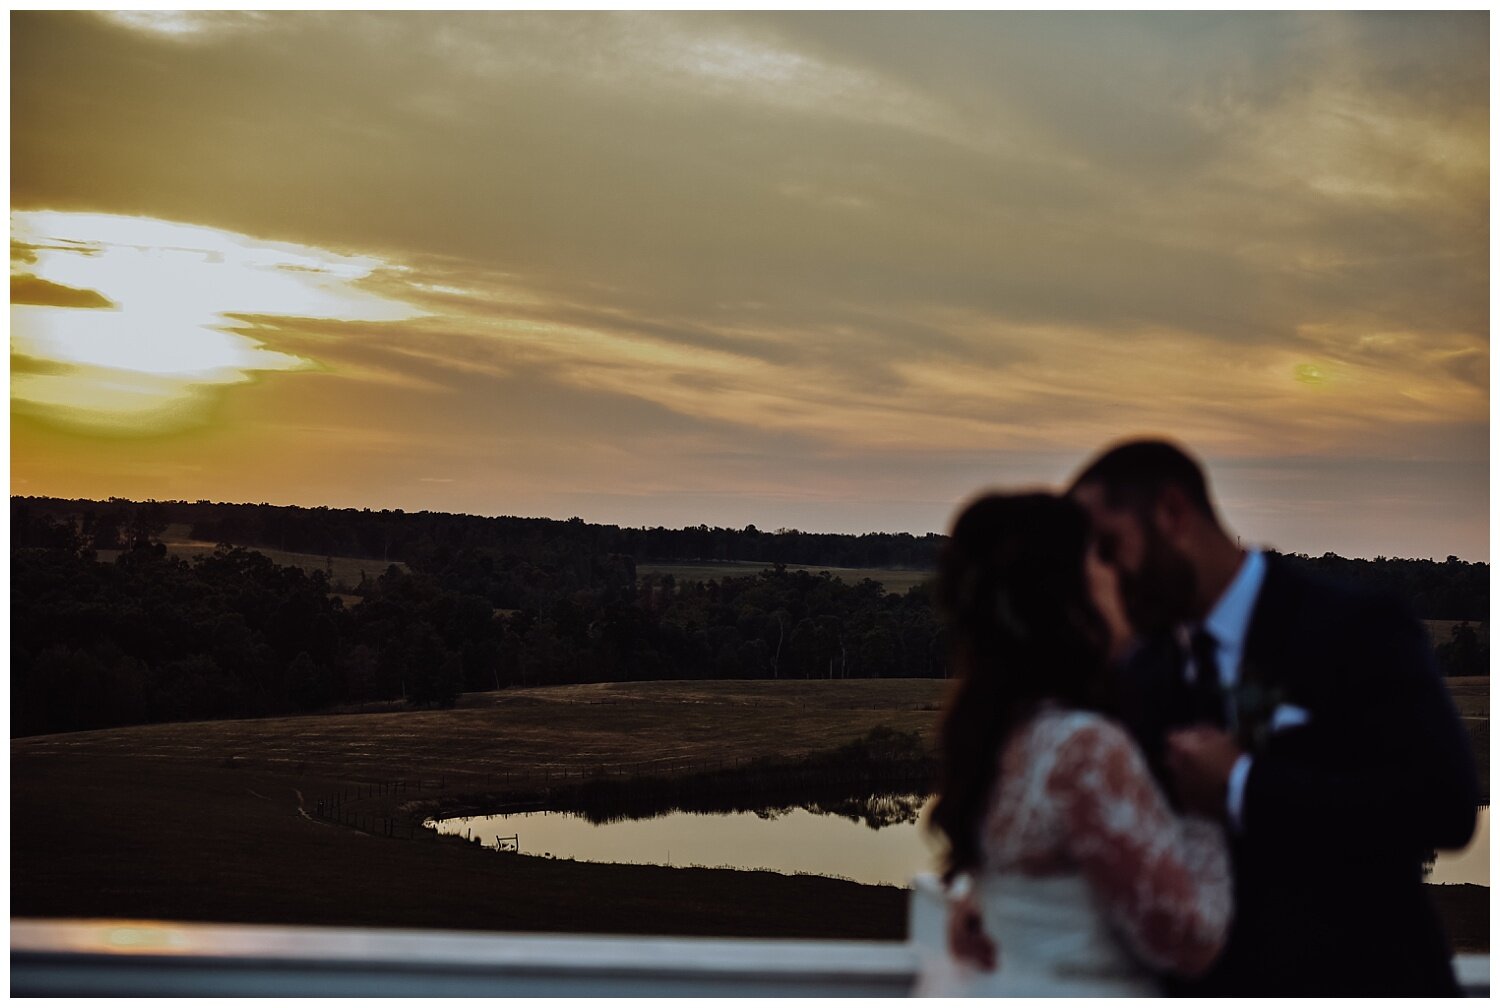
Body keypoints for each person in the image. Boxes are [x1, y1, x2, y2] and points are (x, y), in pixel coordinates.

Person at [1061, 438, 1480, 995]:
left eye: (1110, 547)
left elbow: (1445, 807)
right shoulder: (1141, 670)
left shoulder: (1356, 627)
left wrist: (1242, 783)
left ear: (1172, 512)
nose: (1106, 575)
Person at [916, 492, 1233, 996]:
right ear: (1070, 595)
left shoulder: (1002, 736)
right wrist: (1206, 808)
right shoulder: (1084, 750)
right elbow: (1189, 943)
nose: (1116, 577)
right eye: (1099, 559)